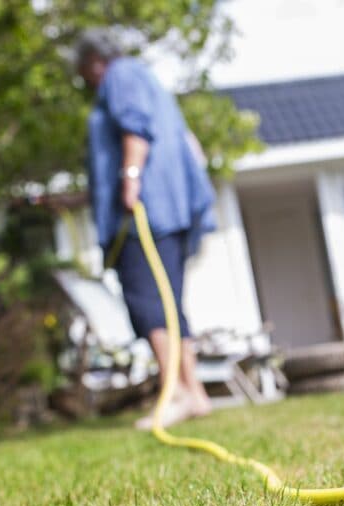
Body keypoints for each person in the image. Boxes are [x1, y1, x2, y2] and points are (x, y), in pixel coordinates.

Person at [75, 29, 217, 427]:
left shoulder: (119, 76)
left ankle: (177, 392)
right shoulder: (148, 78)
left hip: (144, 212)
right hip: (167, 207)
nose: (87, 82)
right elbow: (190, 144)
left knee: (146, 301)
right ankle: (195, 394)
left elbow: (135, 127)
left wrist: (130, 177)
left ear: (94, 63)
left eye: (85, 74)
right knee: (168, 301)